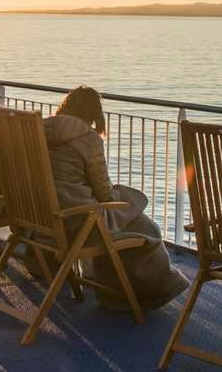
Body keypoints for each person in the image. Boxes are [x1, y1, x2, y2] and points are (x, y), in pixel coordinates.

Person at [42, 87, 189, 311]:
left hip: (41, 217)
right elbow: (104, 194)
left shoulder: (39, 130)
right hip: (75, 223)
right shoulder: (88, 139)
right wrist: (121, 197)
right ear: (94, 113)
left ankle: (111, 285)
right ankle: (140, 292)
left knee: (129, 214)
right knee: (143, 224)